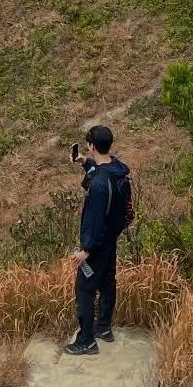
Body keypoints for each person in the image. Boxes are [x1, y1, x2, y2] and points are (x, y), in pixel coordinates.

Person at [64, 123, 131, 356]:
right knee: (107, 282)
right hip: (111, 240)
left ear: (92, 145)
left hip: (97, 244)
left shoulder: (100, 186)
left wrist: (86, 251)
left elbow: (95, 220)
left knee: (84, 289)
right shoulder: (117, 170)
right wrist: (85, 162)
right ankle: (103, 327)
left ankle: (86, 341)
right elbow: (101, 172)